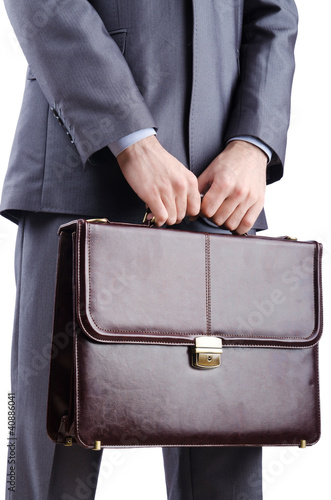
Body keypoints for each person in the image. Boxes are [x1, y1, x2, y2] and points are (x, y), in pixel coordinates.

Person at [1, 0, 298, 498]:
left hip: (220, 189)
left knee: (228, 450)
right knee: (54, 445)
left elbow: (273, 14)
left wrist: (254, 143)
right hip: (83, 170)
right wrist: (129, 137)